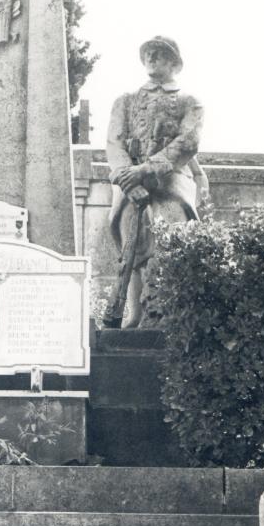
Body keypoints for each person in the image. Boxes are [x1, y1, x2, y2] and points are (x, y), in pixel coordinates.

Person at [105, 36, 205, 328]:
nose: (152, 59)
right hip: (130, 185)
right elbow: (114, 143)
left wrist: (147, 170)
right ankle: (134, 313)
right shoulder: (125, 100)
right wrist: (128, 178)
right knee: (130, 242)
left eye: (160, 54)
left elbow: (188, 143)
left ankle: (162, 313)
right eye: (148, 54)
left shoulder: (190, 102)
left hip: (170, 182)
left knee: (168, 231)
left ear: (175, 63)